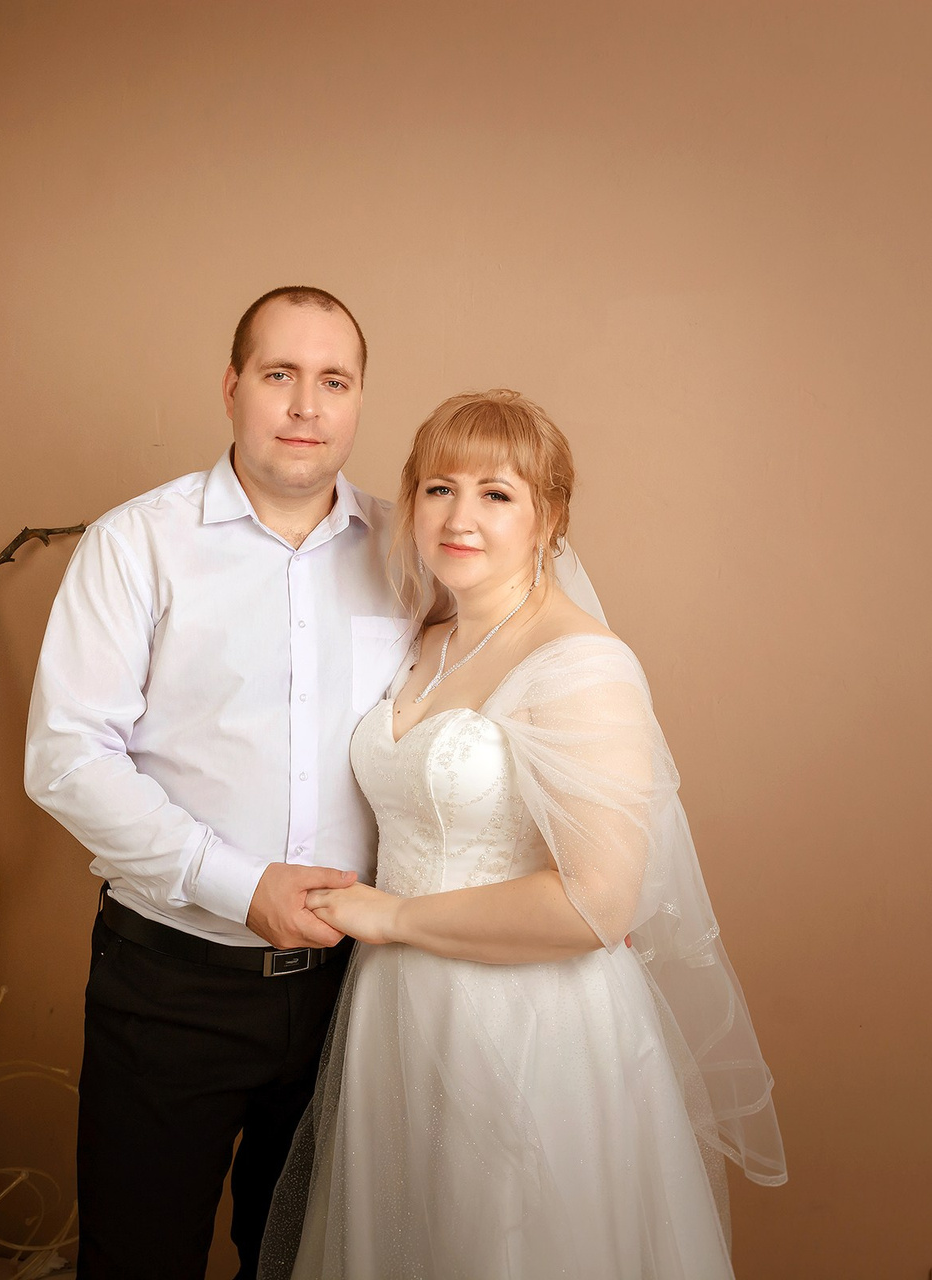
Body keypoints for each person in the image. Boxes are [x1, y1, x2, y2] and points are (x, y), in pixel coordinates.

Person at [23, 290, 604, 1280]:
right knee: (136, 1260)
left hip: (358, 993)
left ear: (359, 397)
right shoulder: (137, 543)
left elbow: (508, 686)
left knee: (312, 1260)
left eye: (333, 380)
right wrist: (241, 884)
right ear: (232, 387)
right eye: (279, 375)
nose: (305, 405)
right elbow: (67, 758)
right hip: (173, 981)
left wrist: (586, 864)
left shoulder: (414, 547)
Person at [257, 390, 787, 1279]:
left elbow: (598, 903)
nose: (459, 517)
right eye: (438, 488)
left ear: (550, 518)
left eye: (496, 494)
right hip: (394, 1011)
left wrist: (392, 918)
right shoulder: (420, 643)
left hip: (524, 1024)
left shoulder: (581, 663)